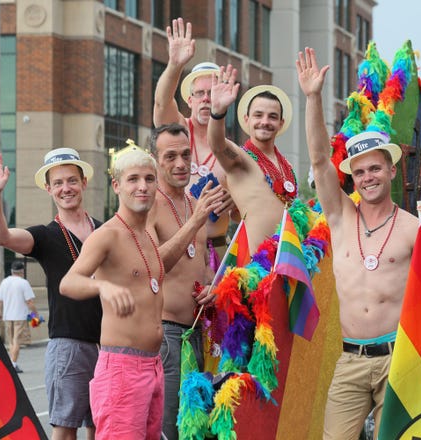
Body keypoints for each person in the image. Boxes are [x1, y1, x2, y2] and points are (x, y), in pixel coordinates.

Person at [296, 47, 421, 439]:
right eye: (360, 171)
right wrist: (312, 98)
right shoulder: (340, 217)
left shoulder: (416, 228)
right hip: (351, 359)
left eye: (375, 168)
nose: (368, 177)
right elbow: (318, 160)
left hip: (399, 360)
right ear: (352, 177)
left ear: (391, 169)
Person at [59, 146, 224, 439]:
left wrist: (197, 221)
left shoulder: (146, 235)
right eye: (133, 179)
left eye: (149, 179)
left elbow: (160, 267)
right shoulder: (107, 234)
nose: (142, 186)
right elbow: (69, 283)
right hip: (122, 369)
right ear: (117, 185)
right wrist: (103, 286)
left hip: (154, 365)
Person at [0, 148, 102, 440]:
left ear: (84, 182)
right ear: (48, 189)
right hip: (69, 345)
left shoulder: (104, 231)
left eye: (72, 180)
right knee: (64, 430)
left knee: (102, 428)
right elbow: (2, 237)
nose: (66, 189)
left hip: (109, 346)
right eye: (58, 183)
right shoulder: (46, 235)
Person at [146, 123, 227, 440]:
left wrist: (213, 287)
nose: (180, 163)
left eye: (184, 155)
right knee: (167, 427)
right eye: (170, 156)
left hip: (197, 334)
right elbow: (153, 265)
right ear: (155, 160)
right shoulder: (149, 204)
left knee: (194, 427)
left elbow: (200, 267)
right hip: (165, 335)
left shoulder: (196, 204)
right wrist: (194, 223)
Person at [153, 17, 236, 261]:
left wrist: (236, 200)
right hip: (173, 245)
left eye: (212, 93)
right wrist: (175, 65)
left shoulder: (231, 151)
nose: (206, 99)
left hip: (216, 248)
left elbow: (245, 215)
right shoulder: (176, 132)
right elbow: (161, 102)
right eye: (199, 94)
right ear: (189, 101)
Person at [207, 63, 294, 251]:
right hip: (256, 269)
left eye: (272, 117)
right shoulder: (241, 160)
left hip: (289, 264)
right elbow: (217, 144)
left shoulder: (286, 165)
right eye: (258, 115)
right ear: (247, 120)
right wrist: (218, 113)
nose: (265, 122)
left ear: (281, 123)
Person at [0, 260, 39, 374]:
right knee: (17, 341)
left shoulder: (5, 282)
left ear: (12, 271)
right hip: (20, 316)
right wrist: (35, 314)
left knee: (11, 342)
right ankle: (12, 364)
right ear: (22, 271)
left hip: (7, 316)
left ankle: (12, 362)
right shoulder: (23, 283)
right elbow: (29, 302)